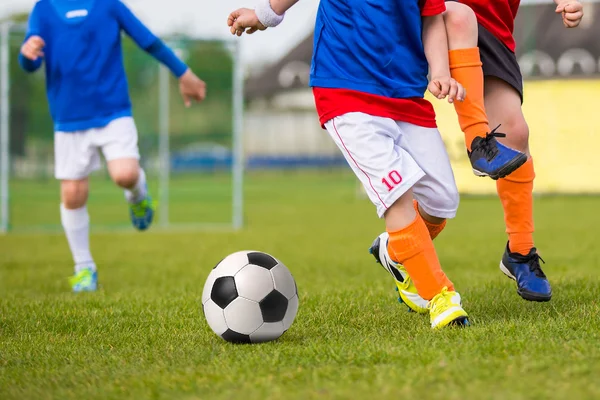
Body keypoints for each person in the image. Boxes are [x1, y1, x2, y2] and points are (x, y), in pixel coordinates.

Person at [229, 0, 470, 329]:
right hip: (345, 91)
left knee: (442, 201)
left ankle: (396, 251)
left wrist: (440, 72)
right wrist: (265, 15)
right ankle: (440, 296)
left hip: (407, 95)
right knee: (396, 194)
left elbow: (431, 18)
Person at [370, 0, 584, 310]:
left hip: (492, 26)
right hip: (428, 15)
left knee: (516, 134)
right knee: (458, 16)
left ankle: (519, 252)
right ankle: (477, 140)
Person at [19, 0, 207, 292]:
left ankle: (138, 194)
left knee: (125, 174)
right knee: (72, 193)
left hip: (113, 111)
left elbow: (148, 41)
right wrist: (27, 53)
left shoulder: (109, 5)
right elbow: (30, 62)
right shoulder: (43, 9)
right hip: (68, 118)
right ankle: (84, 269)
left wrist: (184, 73)